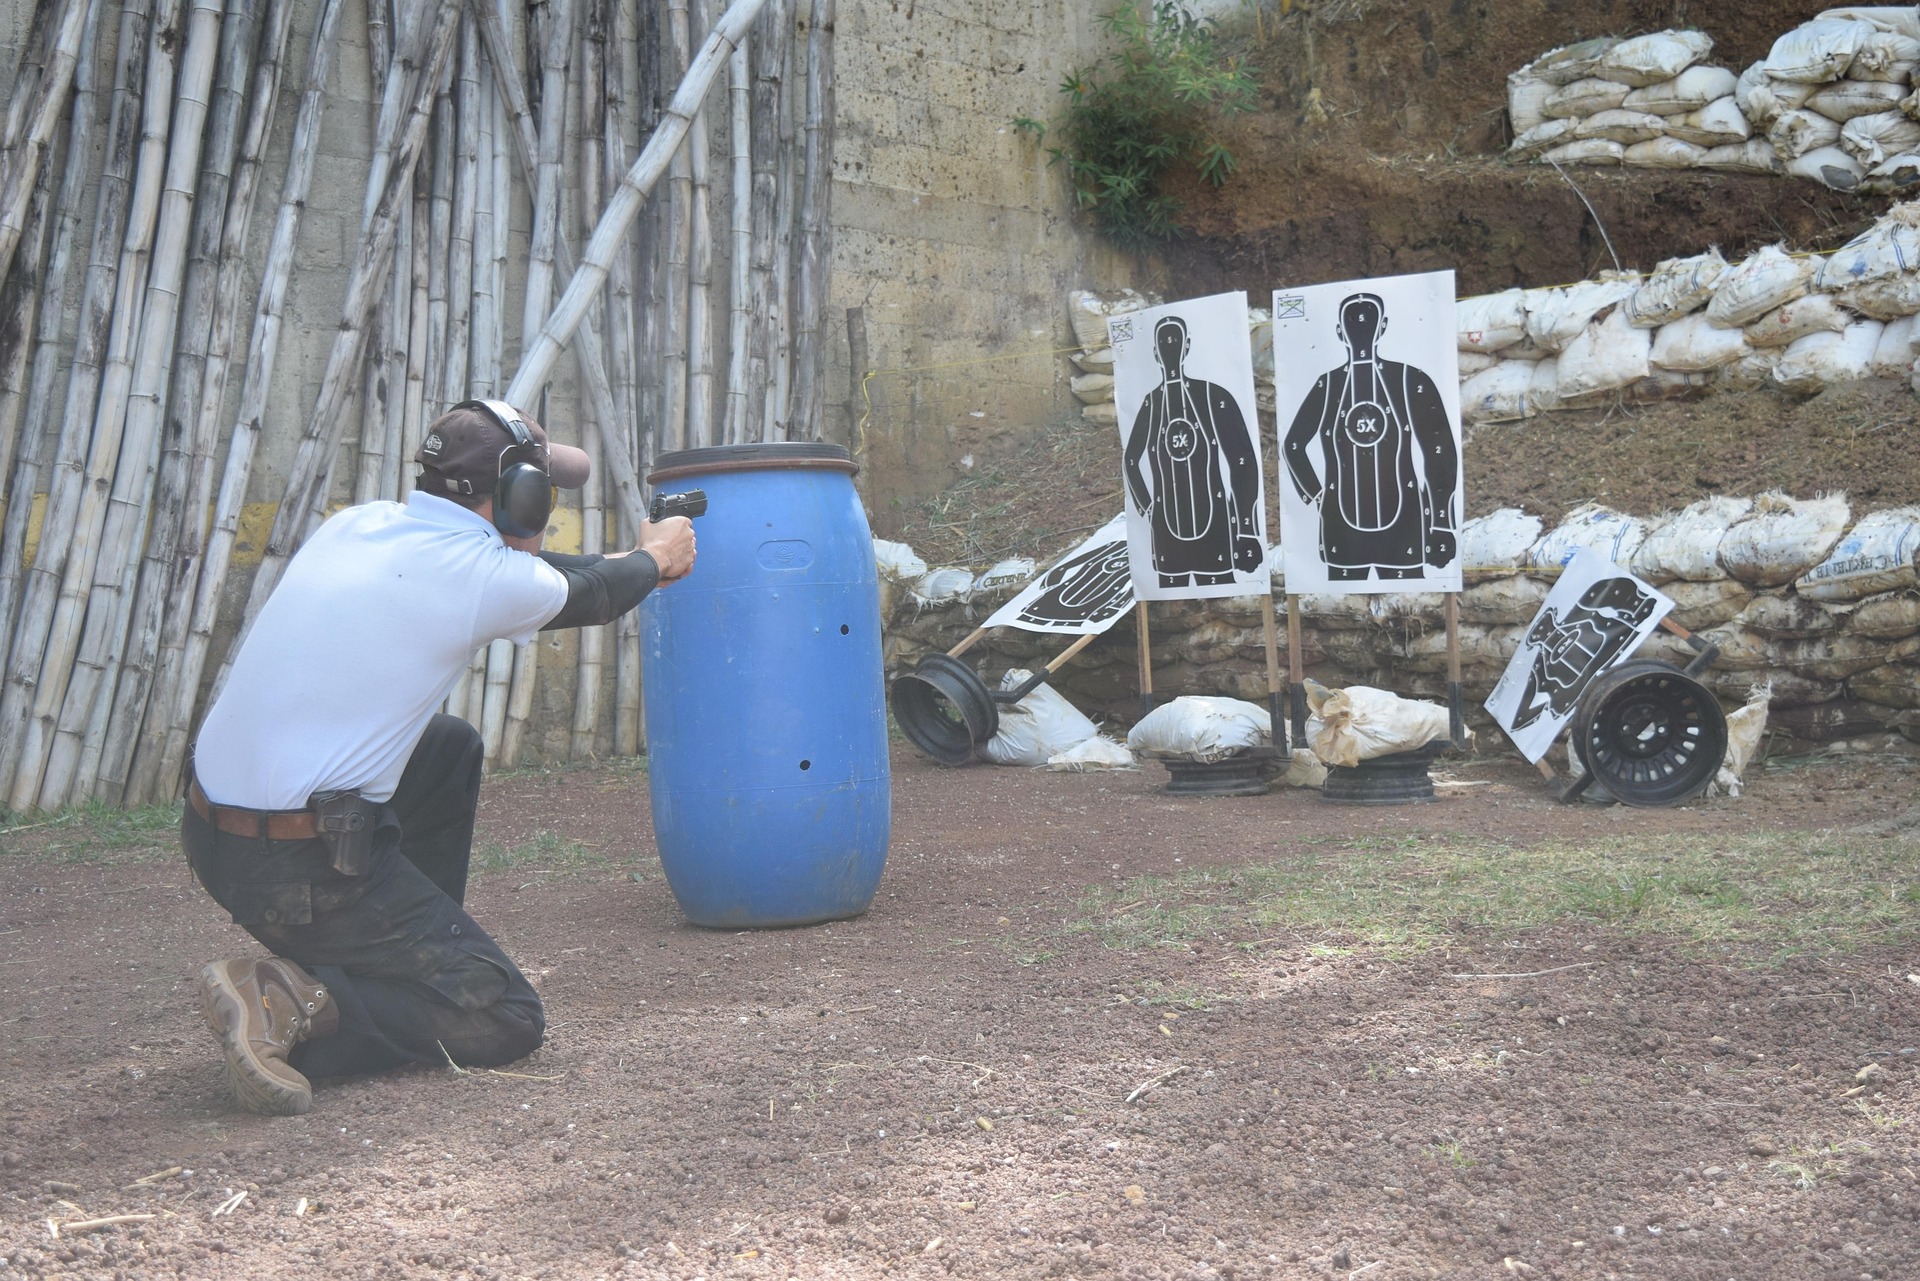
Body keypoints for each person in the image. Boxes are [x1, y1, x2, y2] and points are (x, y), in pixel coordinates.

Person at [181, 400, 696, 1116]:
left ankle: (395, 964)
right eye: (543, 494)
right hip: (290, 870)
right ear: (518, 498)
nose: (546, 510)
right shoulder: (485, 580)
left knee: (447, 748)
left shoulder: (358, 524)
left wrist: (637, 563)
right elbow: (594, 590)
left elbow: (556, 573)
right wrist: (659, 556)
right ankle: (299, 999)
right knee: (506, 1016)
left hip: (214, 833)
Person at [1282, 292, 1459, 581]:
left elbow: (1439, 450)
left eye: (1367, 321)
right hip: (1345, 523)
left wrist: (1441, 522)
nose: (1360, 329)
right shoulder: (1329, 385)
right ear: (1341, 331)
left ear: (1382, 326)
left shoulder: (1409, 379)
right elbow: (1292, 446)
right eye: (1354, 323)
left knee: (1405, 610)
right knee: (1344, 611)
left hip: (1403, 520)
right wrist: (1316, 496)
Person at [1122, 314, 1265, 588]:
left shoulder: (1213, 396)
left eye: (1175, 340)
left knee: (1221, 594)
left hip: (1216, 523)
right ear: (1155, 352)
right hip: (1166, 530)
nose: (1170, 346)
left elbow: (1243, 460)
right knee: (1174, 603)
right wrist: (1149, 509)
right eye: (1164, 341)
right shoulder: (1151, 404)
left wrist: (1246, 528)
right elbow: (1130, 460)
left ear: (1186, 347)